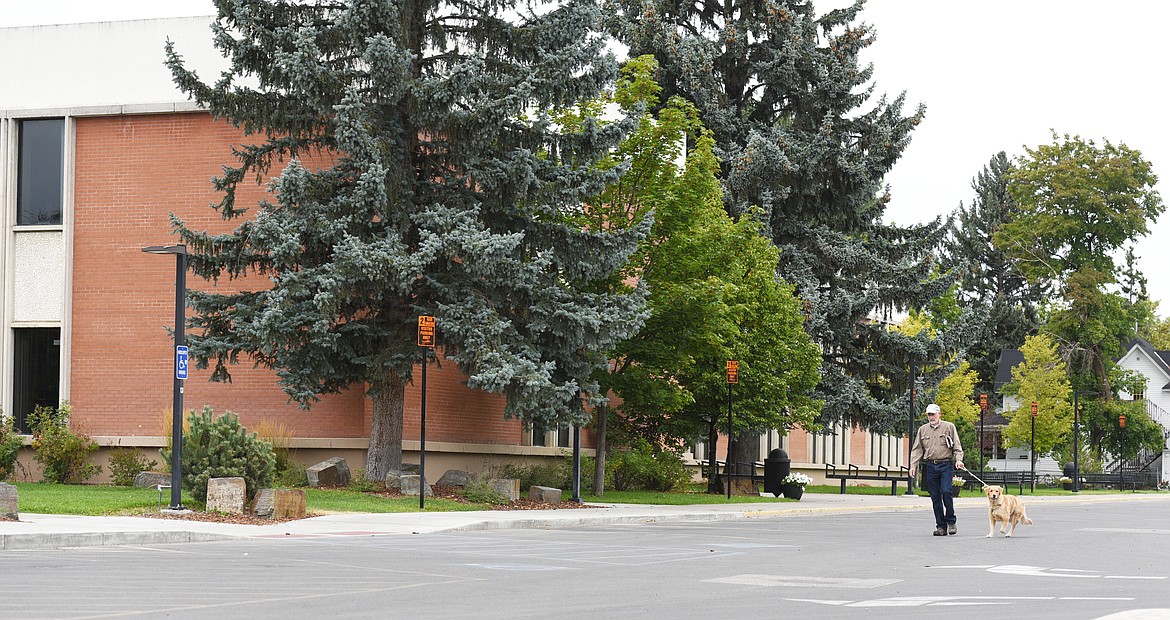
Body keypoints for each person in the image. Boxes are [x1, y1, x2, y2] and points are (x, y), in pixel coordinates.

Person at [909, 403, 965, 536]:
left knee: (946, 491)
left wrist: (958, 459)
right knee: (935, 497)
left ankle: (951, 521)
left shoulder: (949, 427)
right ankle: (941, 526)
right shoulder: (923, 430)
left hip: (945, 464)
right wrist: (913, 465)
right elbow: (917, 449)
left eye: (933, 414)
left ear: (939, 414)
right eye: (929, 414)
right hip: (930, 466)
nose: (931, 417)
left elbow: (957, 446)